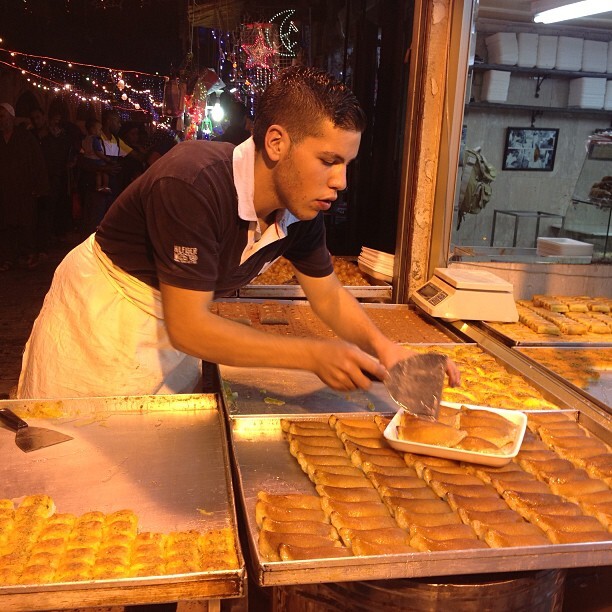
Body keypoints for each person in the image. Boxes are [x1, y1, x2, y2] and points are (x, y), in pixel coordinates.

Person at [17, 67, 459, 399]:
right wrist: (313, 355)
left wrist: (387, 349)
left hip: (173, 326)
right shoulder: (192, 182)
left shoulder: (300, 209)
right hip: (105, 318)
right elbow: (190, 327)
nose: (341, 181)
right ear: (276, 142)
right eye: (329, 161)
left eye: (347, 164)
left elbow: (326, 296)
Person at [0, 102, 49, 271]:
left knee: (25, 222)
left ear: (11, 118)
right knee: (5, 223)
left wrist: (39, 186)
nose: (1, 121)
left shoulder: (25, 137)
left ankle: (28, 254)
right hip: (4, 189)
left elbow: (37, 162)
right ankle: (7, 257)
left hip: (24, 188)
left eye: (3, 116)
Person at [82, 118, 111, 193]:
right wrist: (105, 158)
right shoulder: (95, 140)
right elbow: (97, 152)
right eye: (99, 129)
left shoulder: (86, 138)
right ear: (93, 130)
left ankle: (98, 187)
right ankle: (105, 186)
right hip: (96, 159)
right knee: (105, 171)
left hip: (87, 159)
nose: (101, 131)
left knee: (97, 174)